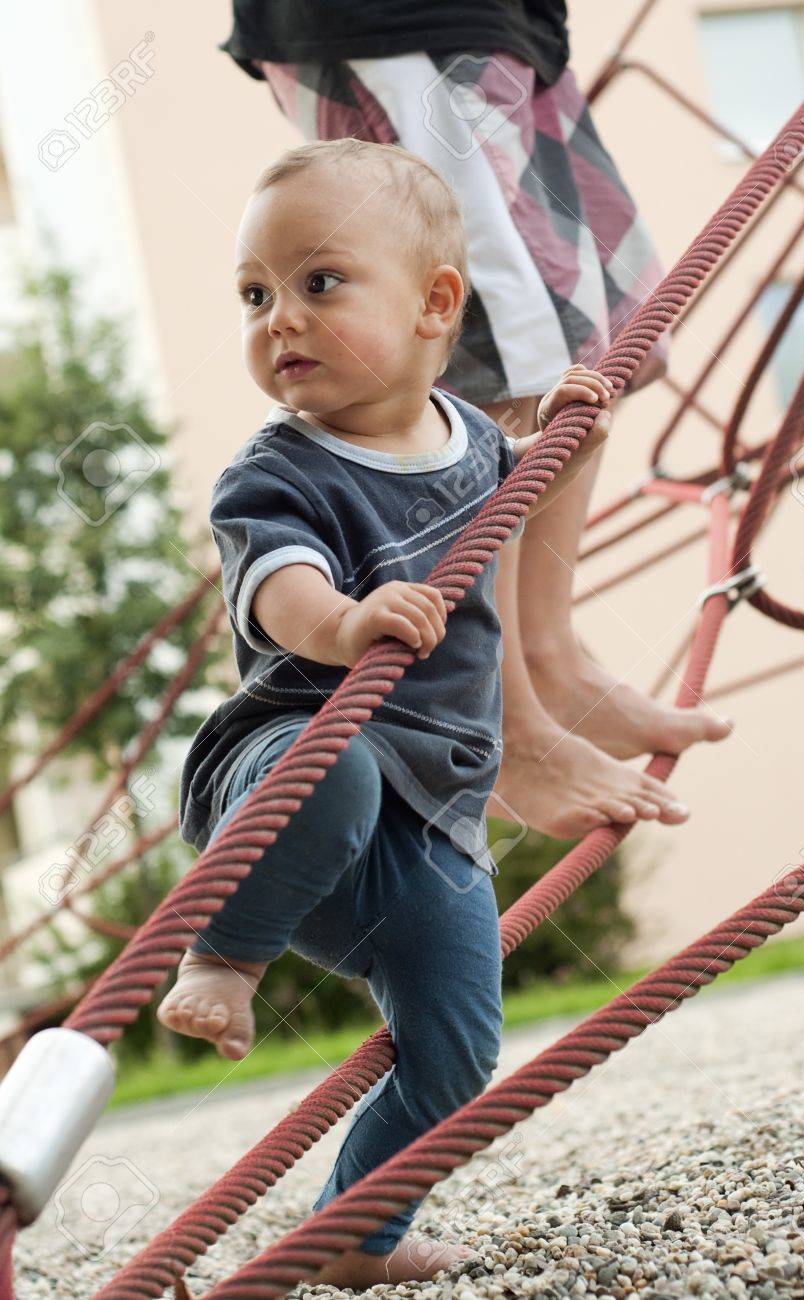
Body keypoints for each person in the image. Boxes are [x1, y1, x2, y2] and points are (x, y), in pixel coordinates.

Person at [160, 140, 694, 1287]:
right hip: (280, 775)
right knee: (338, 760)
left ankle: (358, 1225)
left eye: (318, 283)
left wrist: (569, 432)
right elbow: (278, 588)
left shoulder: (476, 445)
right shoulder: (277, 471)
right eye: (254, 295)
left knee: (457, 1049)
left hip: (422, 824)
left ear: (432, 306)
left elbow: (515, 514)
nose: (277, 320)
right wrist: (347, 623)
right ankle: (223, 956)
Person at [215, 0, 733, 844]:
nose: (274, 319)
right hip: (399, 24)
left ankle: (549, 656)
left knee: (589, 324)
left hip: (510, 23)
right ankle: (509, 726)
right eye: (254, 298)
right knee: (494, 332)